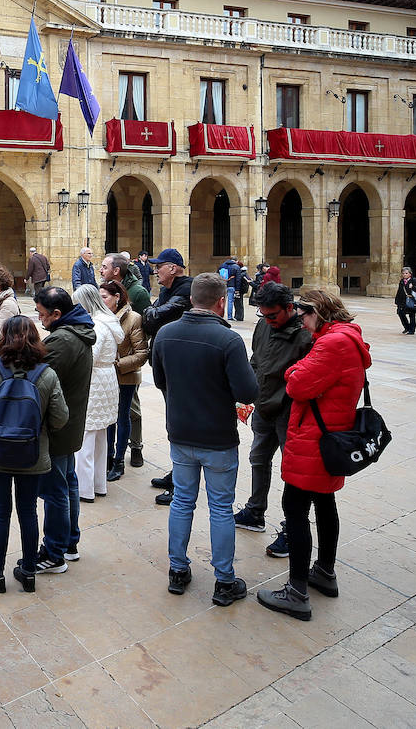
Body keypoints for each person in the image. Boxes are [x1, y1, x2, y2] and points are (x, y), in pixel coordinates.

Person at [257, 289, 370, 621]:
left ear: (318, 312)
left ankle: (296, 593)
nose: (301, 321)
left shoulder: (331, 344)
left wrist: (294, 371)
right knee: (324, 503)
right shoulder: (346, 338)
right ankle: (324, 572)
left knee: (294, 509)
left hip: (314, 440)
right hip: (330, 435)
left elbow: (296, 385)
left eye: (304, 314)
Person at [150, 273, 258, 607]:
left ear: (191, 299)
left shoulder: (166, 333)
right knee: (221, 507)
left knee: (182, 501)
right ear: (221, 302)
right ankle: (224, 581)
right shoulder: (228, 340)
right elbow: (247, 391)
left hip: (181, 432)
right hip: (217, 436)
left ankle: (177, 570)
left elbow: (159, 380)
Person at [0, 315, 69, 594]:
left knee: (0, 512)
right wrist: (40, 432)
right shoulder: (46, 374)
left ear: (3, 338)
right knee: (28, 511)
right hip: (32, 454)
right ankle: (29, 572)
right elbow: (60, 417)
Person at [235, 282, 313, 559]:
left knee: (293, 471)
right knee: (258, 458)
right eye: (263, 315)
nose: (267, 320)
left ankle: (293, 528)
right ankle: (255, 511)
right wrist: (246, 395)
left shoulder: (305, 335)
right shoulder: (264, 325)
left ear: (290, 308)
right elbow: (256, 360)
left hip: (289, 413)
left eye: (272, 315)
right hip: (263, 406)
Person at [31, 286, 95, 572]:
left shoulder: (62, 340)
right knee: (68, 483)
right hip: (70, 424)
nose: (39, 318)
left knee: (55, 490)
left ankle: (54, 552)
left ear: (57, 314)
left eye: (41, 313)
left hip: (57, 427)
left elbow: (41, 382)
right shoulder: (75, 331)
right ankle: (69, 543)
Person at [141, 247, 193, 493]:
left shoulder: (186, 290)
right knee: (174, 423)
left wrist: (151, 313)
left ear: (173, 268)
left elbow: (152, 318)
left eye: (159, 266)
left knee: (181, 424)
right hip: (167, 364)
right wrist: (152, 313)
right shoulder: (166, 291)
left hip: (182, 367)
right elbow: (150, 318)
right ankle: (178, 472)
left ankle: (181, 482)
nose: (155, 271)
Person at [73, 284, 123, 501]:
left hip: (95, 381)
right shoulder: (108, 321)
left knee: (85, 438)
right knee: (100, 436)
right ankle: (98, 484)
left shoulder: (98, 326)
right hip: (106, 378)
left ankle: (84, 489)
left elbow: (89, 358)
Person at [101, 280, 147, 483]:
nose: (101, 301)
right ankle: (108, 457)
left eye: (105, 297)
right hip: (106, 377)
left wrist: (117, 364)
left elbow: (142, 353)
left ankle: (119, 460)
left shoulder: (133, 318)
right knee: (108, 418)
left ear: (117, 297)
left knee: (122, 416)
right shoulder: (101, 317)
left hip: (126, 376)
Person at [395, 267, 416, 335]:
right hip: (403, 301)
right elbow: (399, 291)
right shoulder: (402, 281)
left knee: (412, 315)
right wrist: (397, 301)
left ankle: (412, 330)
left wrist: (413, 287)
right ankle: (407, 327)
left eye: (406, 273)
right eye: (403, 273)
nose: (404, 274)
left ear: (410, 274)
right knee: (400, 313)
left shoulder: (414, 280)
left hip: (411, 300)